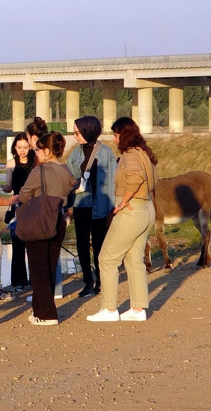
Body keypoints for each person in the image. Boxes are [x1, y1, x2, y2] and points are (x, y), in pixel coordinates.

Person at [87, 117, 157, 323]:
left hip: (132, 210)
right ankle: (138, 308)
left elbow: (135, 178)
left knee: (107, 258)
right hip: (146, 209)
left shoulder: (130, 156)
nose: (114, 140)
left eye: (116, 136)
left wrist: (121, 203)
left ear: (124, 136)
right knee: (134, 260)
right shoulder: (145, 153)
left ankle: (109, 309)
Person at [17, 131, 77, 326]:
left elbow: (24, 194)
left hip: (40, 220)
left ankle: (48, 314)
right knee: (50, 266)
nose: (37, 154)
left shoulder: (39, 171)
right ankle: (39, 310)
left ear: (47, 151)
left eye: (38, 150)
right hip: (58, 219)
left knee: (38, 268)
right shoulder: (67, 170)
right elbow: (71, 192)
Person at [66, 116, 117, 298]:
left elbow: (113, 182)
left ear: (88, 131)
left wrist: (113, 207)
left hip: (101, 206)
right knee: (81, 243)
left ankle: (101, 281)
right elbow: (68, 177)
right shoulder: (75, 152)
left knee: (99, 244)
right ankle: (87, 281)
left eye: (77, 132)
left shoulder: (106, 153)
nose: (75, 136)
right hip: (81, 204)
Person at [25, 117, 63, 299]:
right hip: (57, 212)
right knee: (52, 255)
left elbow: (26, 192)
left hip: (41, 213)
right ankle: (54, 290)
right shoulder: (63, 167)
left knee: (41, 259)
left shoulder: (40, 164)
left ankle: (45, 293)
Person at [2, 133, 35, 293]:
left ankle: (33, 280)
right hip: (17, 205)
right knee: (17, 244)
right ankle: (18, 281)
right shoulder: (11, 164)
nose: (22, 151)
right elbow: (9, 186)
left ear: (30, 147)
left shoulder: (36, 162)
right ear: (15, 148)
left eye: (25, 147)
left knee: (33, 245)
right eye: (19, 147)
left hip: (34, 205)